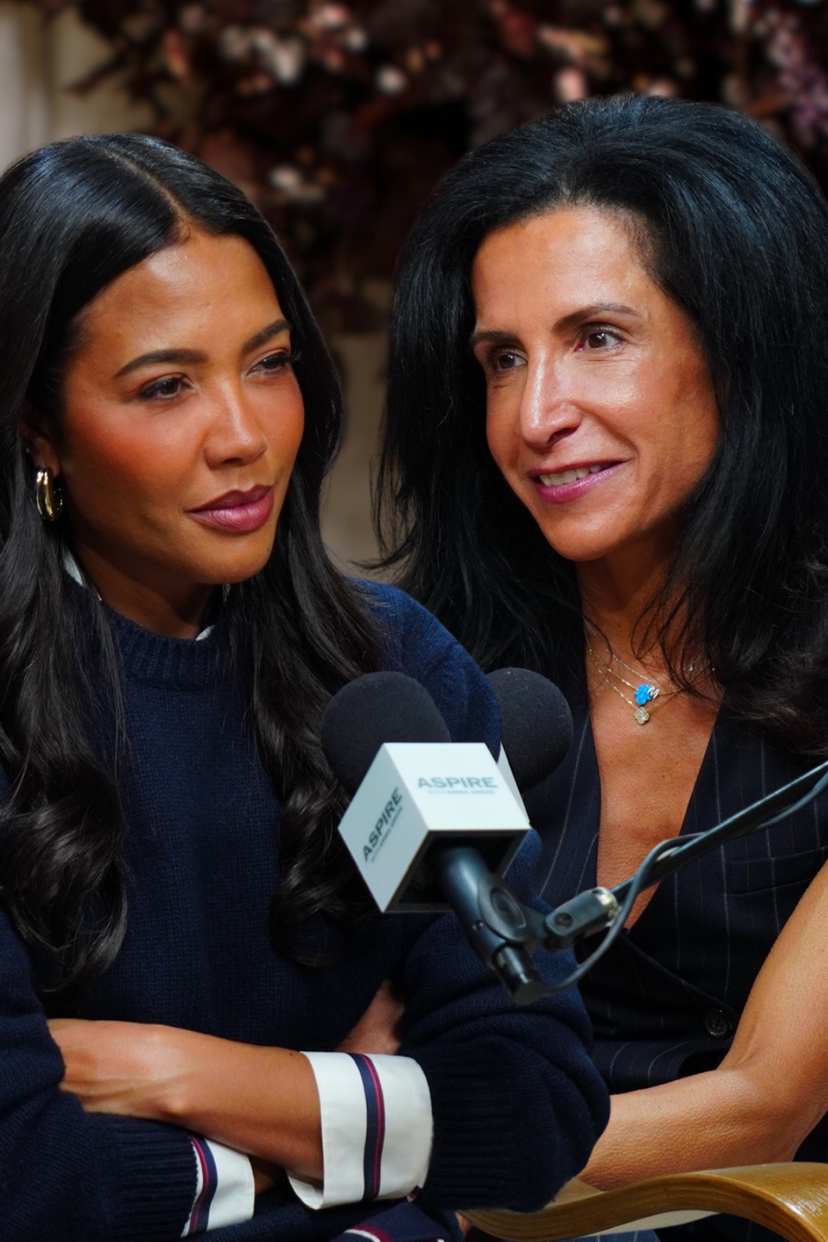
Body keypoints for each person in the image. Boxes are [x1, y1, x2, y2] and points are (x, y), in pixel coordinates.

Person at [0, 132, 609, 1242]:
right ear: (39, 426)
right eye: (166, 385)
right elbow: (25, 1179)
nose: (244, 436)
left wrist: (178, 1075)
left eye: (269, 362)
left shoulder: (392, 677)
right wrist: (348, 1127)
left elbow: (535, 1109)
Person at [375, 94, 828, 1242]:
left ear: (741, 351)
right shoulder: (423, 667)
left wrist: (355, 1141)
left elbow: (765, 1103)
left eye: (598, 339)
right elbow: (362, 1028)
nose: (536, 415)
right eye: (500, 359)